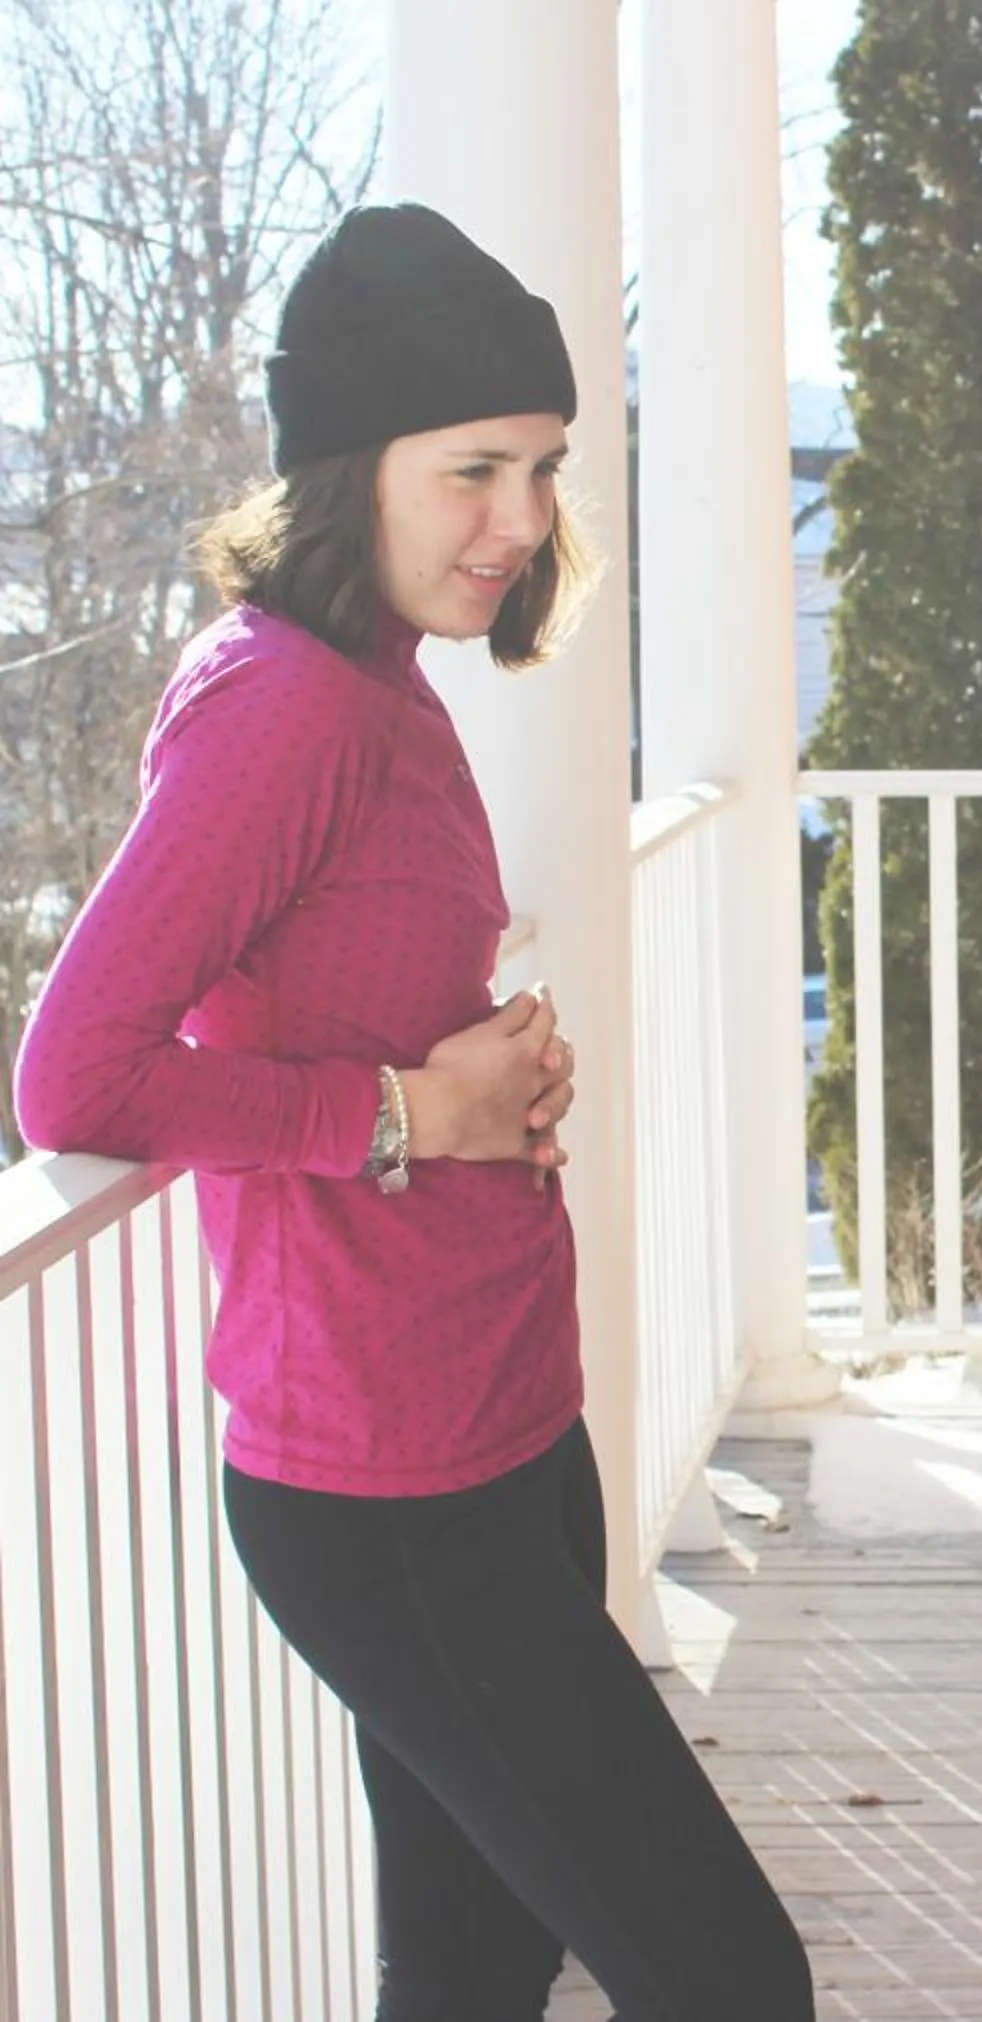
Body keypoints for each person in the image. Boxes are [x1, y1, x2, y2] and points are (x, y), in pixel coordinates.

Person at [12, 203, 811, 2019]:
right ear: (343, 469)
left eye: (540, 467)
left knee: (471, 1968)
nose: (521, 522)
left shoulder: (378, 676)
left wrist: (476, 1074)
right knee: (731, 1975)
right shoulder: (281, 706)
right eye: (473, 470)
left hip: (507, 1422)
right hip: (385, 1483)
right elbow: (76, 1073)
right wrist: (397, 1115)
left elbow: (336, 985)